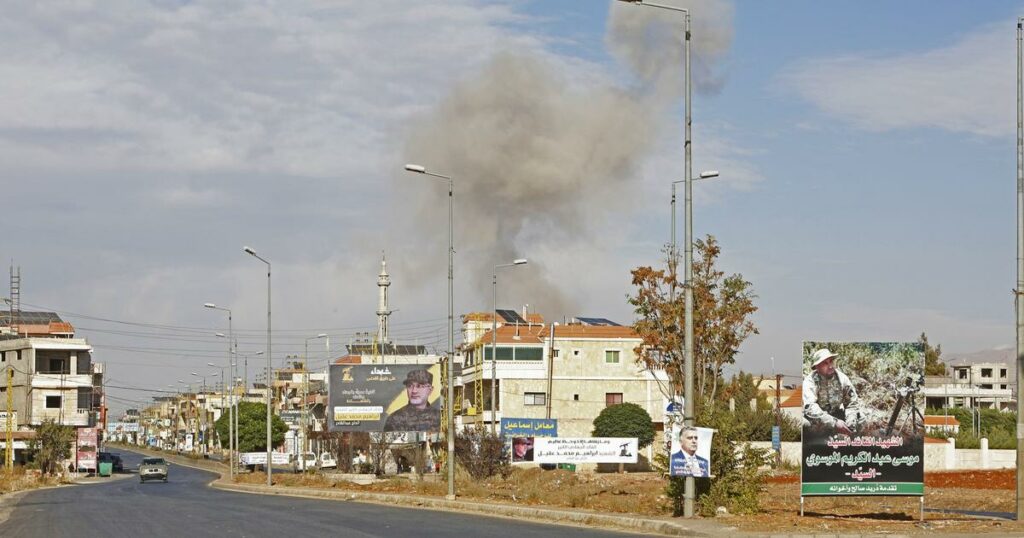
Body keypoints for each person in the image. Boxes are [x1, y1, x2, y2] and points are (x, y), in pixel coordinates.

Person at [803, 348, 864, 436]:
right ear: (817, 367)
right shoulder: (810, 382)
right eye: (825, 363)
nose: (830, 366)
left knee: (861, 418)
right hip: (816, 419)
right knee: (805, 425)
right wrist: (834, 423)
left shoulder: (842, 378)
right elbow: (810, 409)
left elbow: (852, 402)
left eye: (831, 361)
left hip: (835, 413)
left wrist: (851, 421)